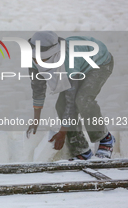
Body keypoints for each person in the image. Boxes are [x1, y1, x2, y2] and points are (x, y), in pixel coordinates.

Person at [26, 31, 115, 160]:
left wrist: (62, 132)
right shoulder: (33, 61)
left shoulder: (68, 61)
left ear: (54, 54)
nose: (38, 62)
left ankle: (105, 139)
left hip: (99, 63)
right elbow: (38, 88)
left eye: (42, 59)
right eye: (35, 59)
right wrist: (36, 120)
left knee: (83, 100)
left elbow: (71, 101)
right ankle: (82, 151)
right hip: (79, 65)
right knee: (60, 106)